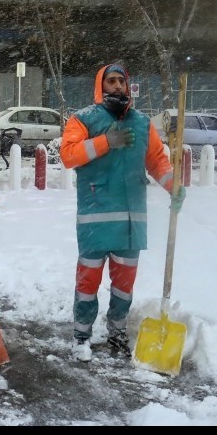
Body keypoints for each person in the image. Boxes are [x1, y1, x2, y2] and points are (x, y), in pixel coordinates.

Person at [59, 63, 185, 362]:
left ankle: (117, 330)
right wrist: (106, 142)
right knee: (88, 283)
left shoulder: (141, 123)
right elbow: (69, 156)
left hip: (131, 220)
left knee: (124, 284)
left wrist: (174, 186)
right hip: (95, 217)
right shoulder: (83, 119)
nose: (117, 86)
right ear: (100, 86)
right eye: (111, 81)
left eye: (121, 81)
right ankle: (81, 336)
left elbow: (156, 162)